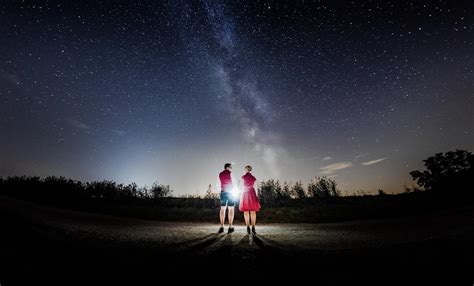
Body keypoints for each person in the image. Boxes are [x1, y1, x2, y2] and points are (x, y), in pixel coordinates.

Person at [239, 165, 261, 235]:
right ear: (250, 170)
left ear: (245, 170)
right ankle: (253, 227)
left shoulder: (242, 177)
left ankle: (248, 227)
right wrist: (257, 196)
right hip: (252, 194)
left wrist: (240, 195)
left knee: (246, 211)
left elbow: (240, 187)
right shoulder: (254, 178)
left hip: (245, 194)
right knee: (253, 211)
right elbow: (256, 187)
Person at [217, 163, 236, 233]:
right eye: (231, 167)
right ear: (228, 167)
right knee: (231, 209)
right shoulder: (231, 173)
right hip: (230, 192)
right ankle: (230, 227)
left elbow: (217, 184)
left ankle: (222, 226)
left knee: (222, 209)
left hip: (223, 192)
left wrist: (221, 192)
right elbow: (234, 183)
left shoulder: (220, 174)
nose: (231, 168)